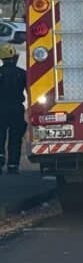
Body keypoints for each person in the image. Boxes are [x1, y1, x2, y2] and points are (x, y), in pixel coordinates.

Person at [0, 43, 26, 175]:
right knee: (15, 138)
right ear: (13, 56)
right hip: (17, 109)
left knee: (0, 137)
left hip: (1, 109)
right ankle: (13, 165)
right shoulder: (22, 73)